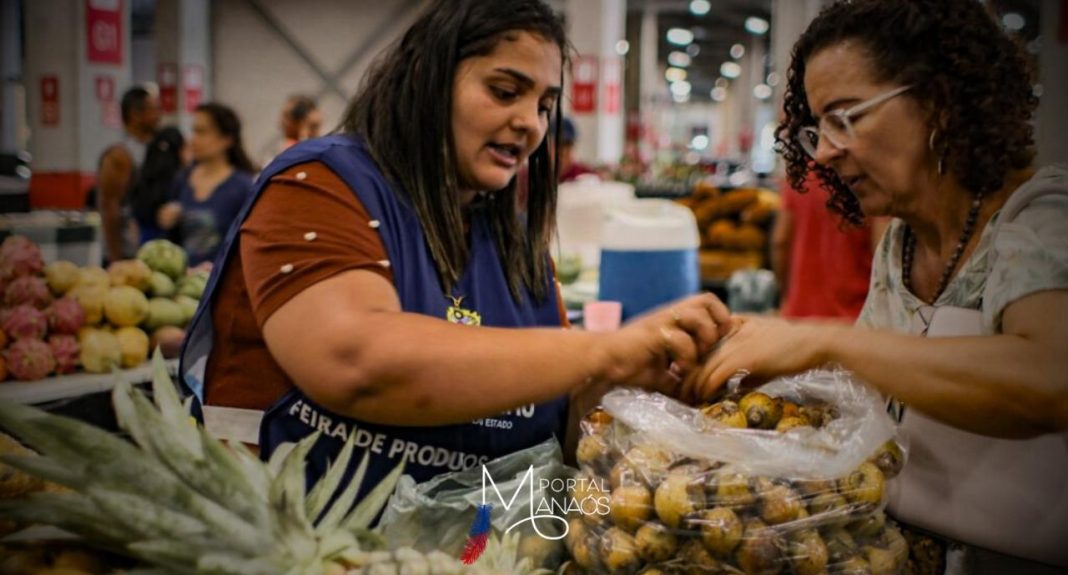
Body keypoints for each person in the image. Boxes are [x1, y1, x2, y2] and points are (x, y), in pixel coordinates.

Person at [179, 0, 731, 505]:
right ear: (427, 78)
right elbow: (355, 362)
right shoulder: (318, 186)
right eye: (504, 90)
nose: (530, 124)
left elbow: (556, 429)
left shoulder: (512, 240)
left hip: (476, 553)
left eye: (544, 104)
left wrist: (634, 389)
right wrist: (603, 351)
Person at [696, 0, 1067, 572]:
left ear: (940, 100)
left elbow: (1050, 376)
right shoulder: (900, 243)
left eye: (847, 118)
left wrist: (823, 342)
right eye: (817, 130)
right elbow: (878, 397)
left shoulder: (1042, 217)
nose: (824, 153)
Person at [772, 175, 888, 321]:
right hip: (854, 319)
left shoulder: (799, 177)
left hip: (799, 317)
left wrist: (786, 295)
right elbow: (882, 250)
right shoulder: (867, 181)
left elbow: (780, 242)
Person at [158, 103, 256, 267]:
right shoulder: (183, 178)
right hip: (186, 282)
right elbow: (172, 240)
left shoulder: (242, 187)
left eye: (201, 132)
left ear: (226, 139)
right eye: (193, 131)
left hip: (222, 285)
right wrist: (167, 219)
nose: (193, 140)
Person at [96, 85, 161, 263]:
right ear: (135, 114)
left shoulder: (155, 148)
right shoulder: (119, 154)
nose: (159, 115)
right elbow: (109, 206)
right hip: (126, 253)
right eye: (154, 110)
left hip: (150, 251)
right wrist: (115, 258)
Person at [129, 126, 188, 245]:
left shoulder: (142, 179)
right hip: (172, 253)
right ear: (180, 150)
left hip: (146, 252)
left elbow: (134, 227)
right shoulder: (182, 181)